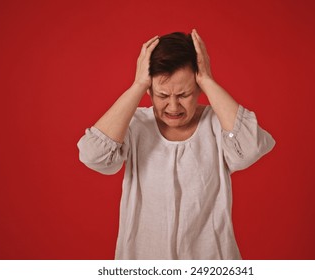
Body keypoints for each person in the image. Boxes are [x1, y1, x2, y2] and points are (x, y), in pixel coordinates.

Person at [77, 29, 275, 260]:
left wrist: (207, 79)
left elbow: (250, 147)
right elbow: (93, 155)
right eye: (162, 95)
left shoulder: (217, 123)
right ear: (149, 90)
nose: (173, 107)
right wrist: (138, 84)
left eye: (184, 94)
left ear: (199, 89)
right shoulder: (135, 124)